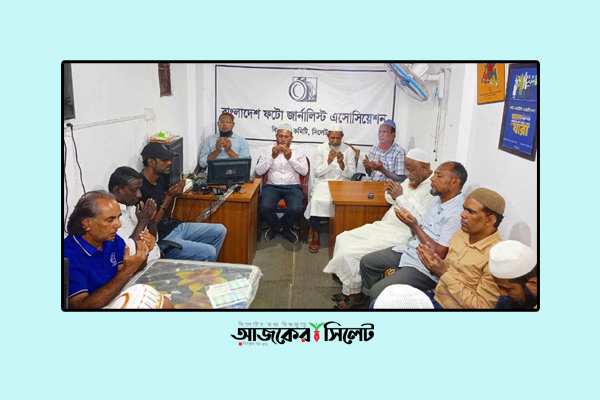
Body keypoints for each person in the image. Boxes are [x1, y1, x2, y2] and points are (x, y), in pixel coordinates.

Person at [325, 148, 434, 309]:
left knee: (350, 252)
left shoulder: (432, 190)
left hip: (402, 234)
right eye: (406, 169)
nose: (407, 174)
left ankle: (355, 295)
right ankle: (352, 289)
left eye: (410, 170)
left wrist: (400, 196)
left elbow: (419, 220)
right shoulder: (412, 179)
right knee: (343, 237)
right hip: (385, 226)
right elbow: (391, 199)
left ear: (424, 169)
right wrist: (391, 191)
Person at [359, 161, 468, 304]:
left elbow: (440, 253)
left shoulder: (457, 213)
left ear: (455, 182)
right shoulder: (436, 199)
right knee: (367, 262)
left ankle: (378, 300)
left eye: (439, 176)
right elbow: (421, 230)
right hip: (412, 249)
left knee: (377, 291)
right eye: (434, 174)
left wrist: (414, 225)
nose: (432, 179)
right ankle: (373, 303)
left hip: (426, 266)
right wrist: (410, 223)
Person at [64, 191, 156, 309]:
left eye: (118, 217)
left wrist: (143, 252)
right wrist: (127, 271)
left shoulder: (111, 240)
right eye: (110, 220)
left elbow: (130, 271)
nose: (118, 224)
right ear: (86, 224)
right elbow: (80, 307)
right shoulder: (68, 254)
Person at [416, 187, 506, 309]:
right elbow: (448, 268)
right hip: (436, 297)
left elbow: (481, 306)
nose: (462, 214)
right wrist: (434, 263)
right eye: (464, 209)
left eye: (471, 212)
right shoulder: (460, 235)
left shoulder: (496, 257)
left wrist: (443, 273)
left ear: (490, 220)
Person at [140, 142, 227, 261]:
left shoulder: (160, 178)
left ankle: (204, 267)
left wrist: (175, 194)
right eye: (164, 160)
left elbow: (165, 210)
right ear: (151, 162)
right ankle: (204, 267)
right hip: (162, 238)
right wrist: (169, 198)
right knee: (209, 252)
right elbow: (152, 224)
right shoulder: (140, 188)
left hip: (172, 227)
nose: (169, 163)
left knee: (220, 230)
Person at [304, 124, 356, 253]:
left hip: (342, 183)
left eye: (338, 138)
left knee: (343, 203)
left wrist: (341, 163)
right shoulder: (320, 149)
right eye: (332, 138)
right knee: (316, 201)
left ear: (342, 137)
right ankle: (316, 235)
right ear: (328, 136)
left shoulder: (349, 151)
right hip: (323, 183)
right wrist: (327, 162)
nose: (335, 141)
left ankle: (341, 234)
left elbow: (351, 175)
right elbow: (317, 172)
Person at [255, 123, 309, 244]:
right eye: (280, 136)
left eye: (286, 136)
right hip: (272, 186)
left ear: (291, 138)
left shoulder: (299, 151)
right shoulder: (267, 150)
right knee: (264, 207)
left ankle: (280, 228)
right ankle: (281, 228)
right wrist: (272, 157)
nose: (283, 139)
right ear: (276, 136)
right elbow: (259, 171)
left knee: (296, 208)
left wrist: (290, 158)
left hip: (293, 187)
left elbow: (304, 171)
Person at [108, 166, 161, 263]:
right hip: (137, 269)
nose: (139, 195)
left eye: (139, 189)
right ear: (117, 190)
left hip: (154, 262)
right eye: (134, 190)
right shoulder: (110, 217)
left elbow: (153, 240)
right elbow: (129, 251)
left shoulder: (132, 209)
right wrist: (142, 222)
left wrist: (151, 221)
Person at [488, 240, 538, 309]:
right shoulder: (505, 304)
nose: (501, 293)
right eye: (499, 287)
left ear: (534, 284)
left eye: (507, 289)